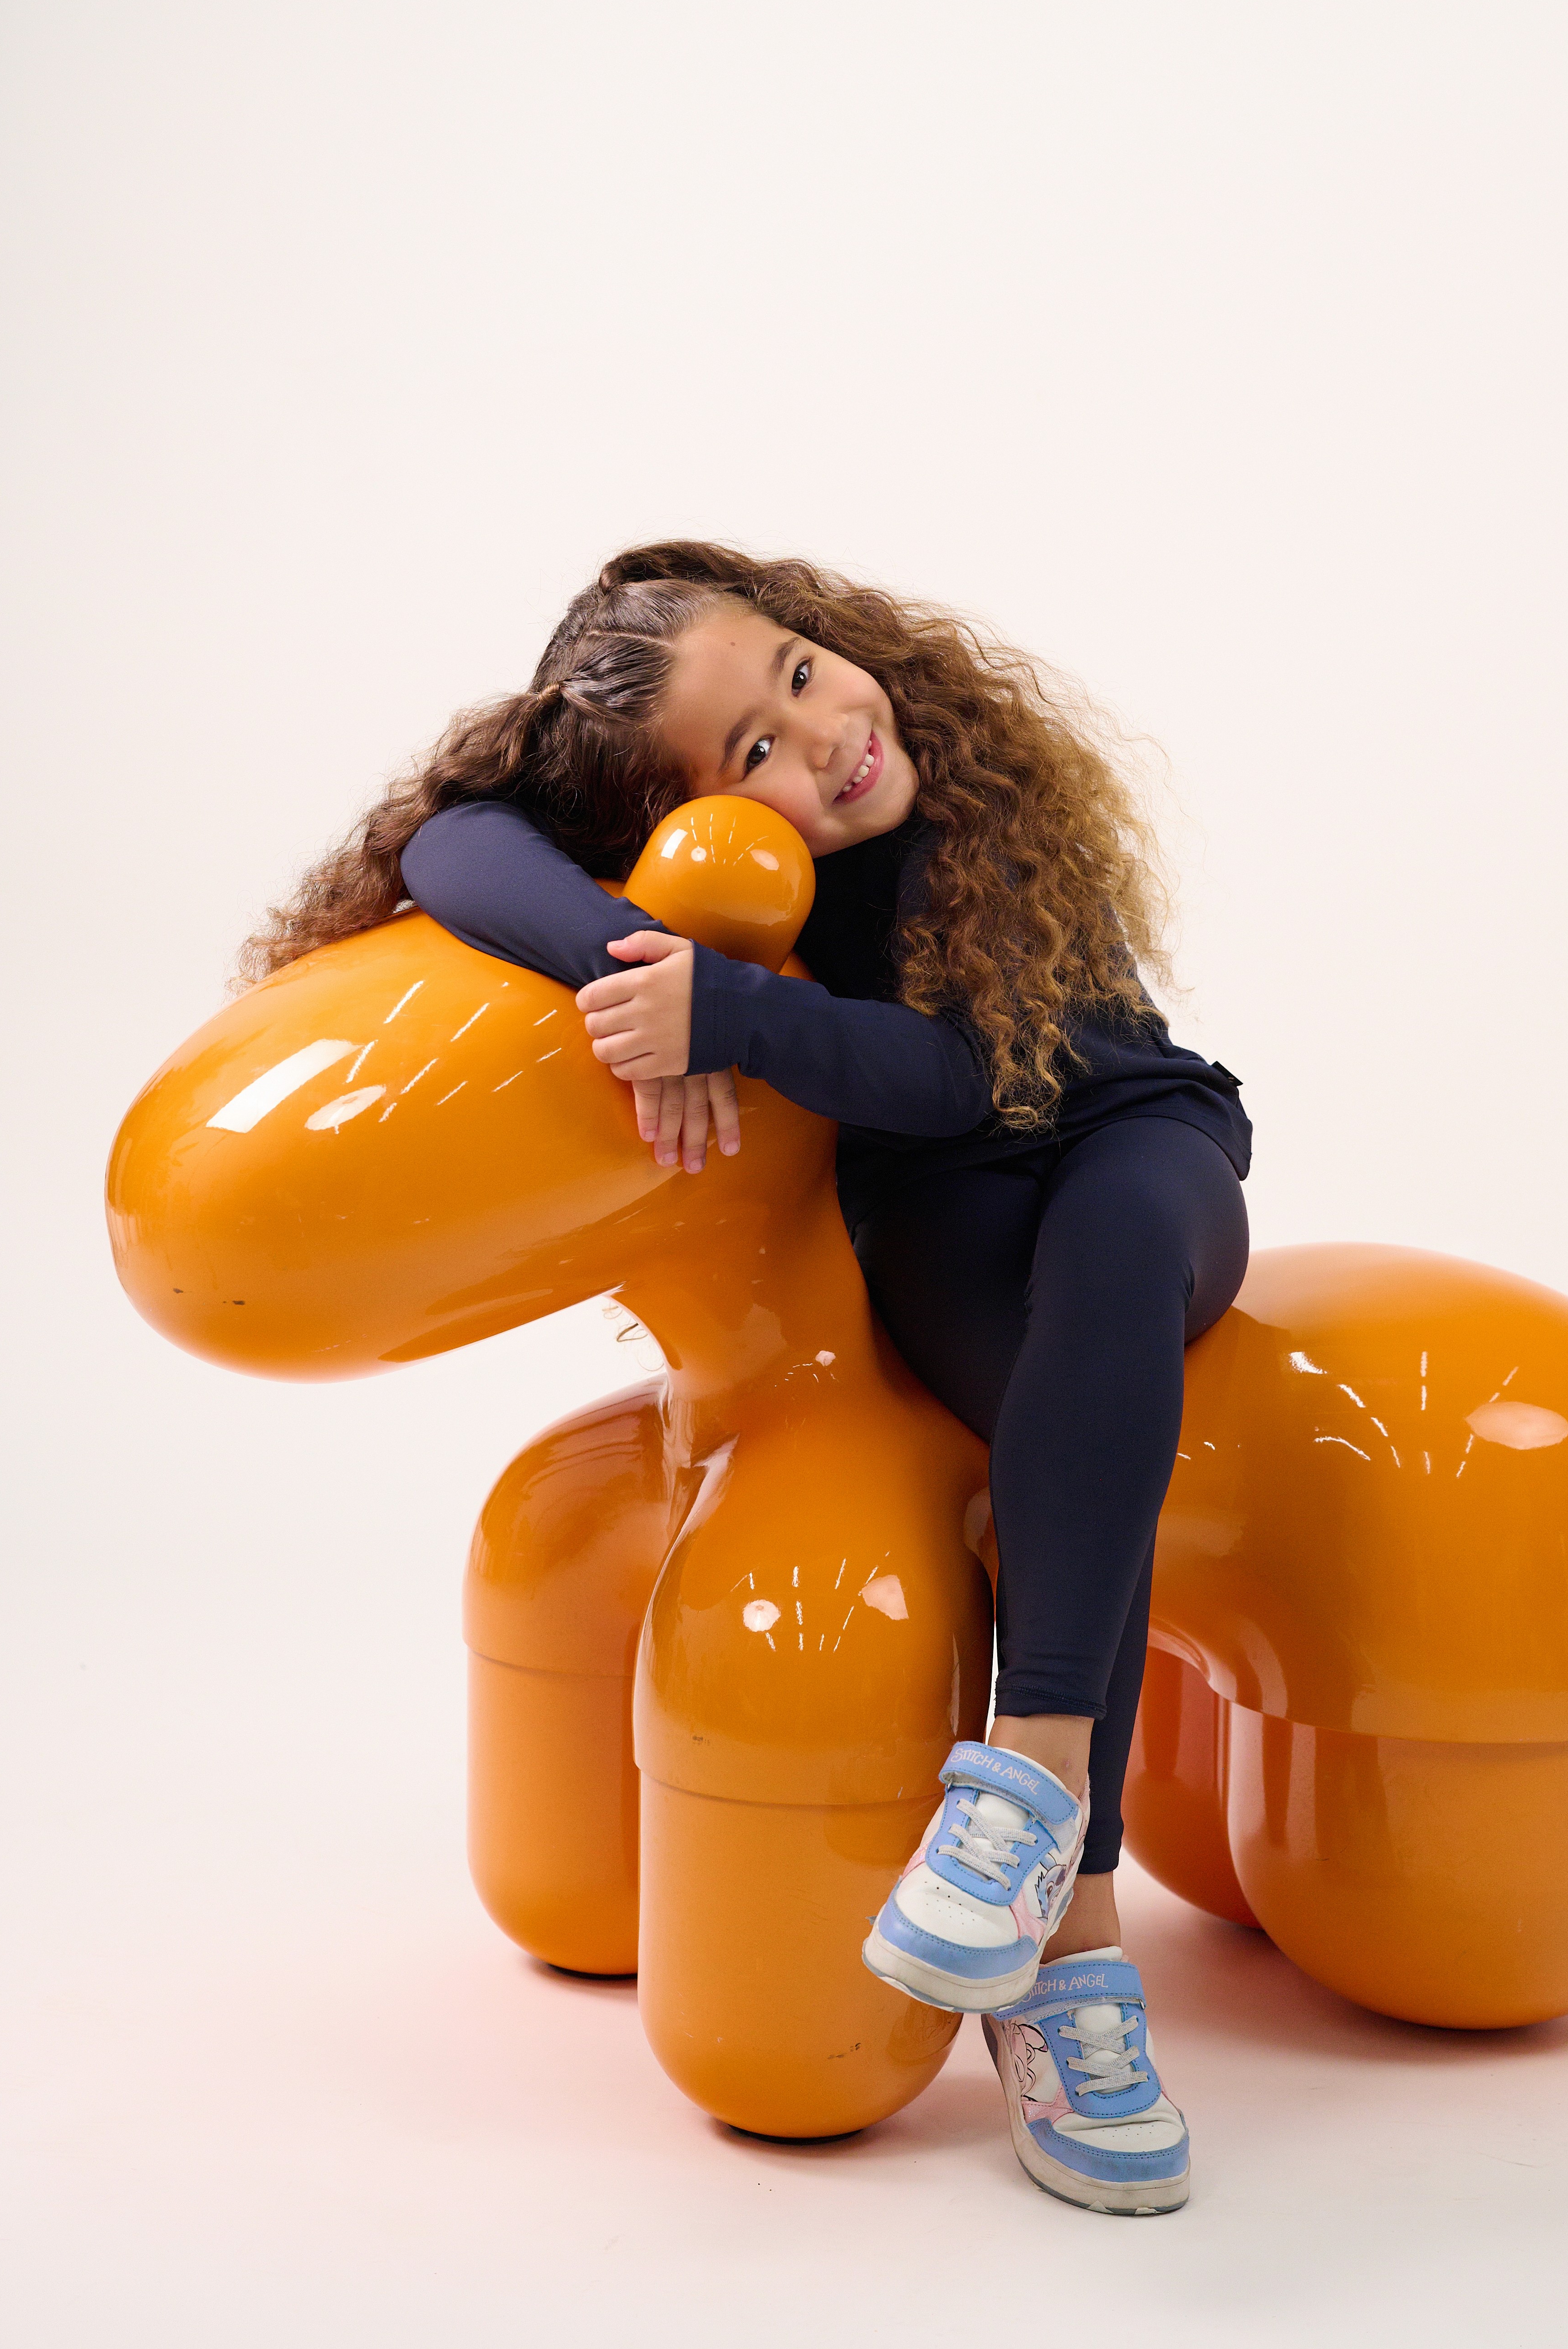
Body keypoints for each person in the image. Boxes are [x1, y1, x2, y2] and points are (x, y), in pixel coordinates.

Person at [246, 541, 1250, 2217]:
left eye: (797, 673)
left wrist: (735, 1014)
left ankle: (1045, 1850)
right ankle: (1054, 1937)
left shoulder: (974, 792)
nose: (824, 736)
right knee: (1060, 1423)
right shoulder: (702, 872)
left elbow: (958, 1072)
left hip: (1130, 1136)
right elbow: (452, 843)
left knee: (1115, 1267)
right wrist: (634, 962)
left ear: (825, 636)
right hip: (935, 1207)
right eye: (753, 754)